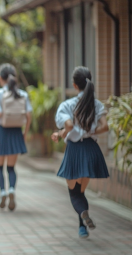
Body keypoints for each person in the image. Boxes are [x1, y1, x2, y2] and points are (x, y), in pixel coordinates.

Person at [51, 66, 109, 239]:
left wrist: (61, 133)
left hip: (75, 150)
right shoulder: (97, 104)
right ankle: (82, 225)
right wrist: (90, 132)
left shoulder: (67, 105)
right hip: (91, 149)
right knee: (81, 191)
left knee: (74, 193)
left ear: (74, 85)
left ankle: (83, 216)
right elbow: (105, 126)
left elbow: (68, 126)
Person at [0, 63, 32, 211]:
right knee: (11, 167)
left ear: (0, 78)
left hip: (1, 132)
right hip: (16, 133)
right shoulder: (23, 94)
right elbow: (28, 116)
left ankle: (2, 191)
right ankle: (12, 190)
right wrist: (24, 134)